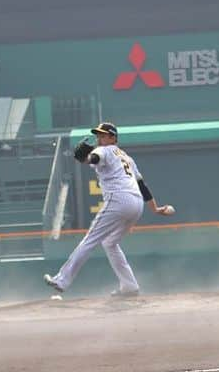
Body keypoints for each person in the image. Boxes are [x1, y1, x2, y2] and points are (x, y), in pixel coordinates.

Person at [44, 122, 173, 298]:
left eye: (103, 135)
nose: (99, 139)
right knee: (109, 242)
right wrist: (156, 209)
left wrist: (87, 157)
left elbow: (95, 158)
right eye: (98, 136)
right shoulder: (127, 158)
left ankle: (61, 280)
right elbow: (142, 186)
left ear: (113, 138)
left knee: (90, 240)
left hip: (118, 200)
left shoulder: (104, 150)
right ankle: (129, 286)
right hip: (136, 205)